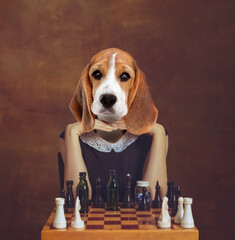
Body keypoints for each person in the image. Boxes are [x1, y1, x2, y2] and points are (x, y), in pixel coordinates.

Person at [59, 119, 168, 202]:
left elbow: (154, 198)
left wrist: (159, 132)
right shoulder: (72, 133)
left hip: (140, 225)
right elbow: (77, 200)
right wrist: (71, 133)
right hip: (88, 225)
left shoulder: (154, 133)